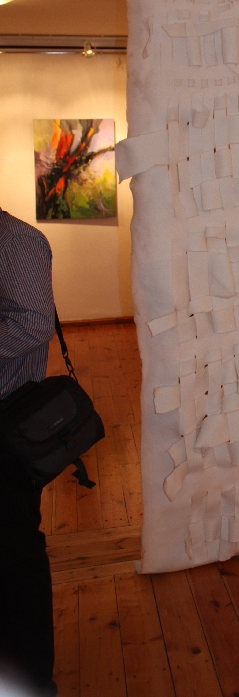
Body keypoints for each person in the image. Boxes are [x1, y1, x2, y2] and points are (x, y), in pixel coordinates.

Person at [0, 209, 57, 697]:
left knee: (15, 554)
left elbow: (35, 323)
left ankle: (32, 680)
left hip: (7, 424)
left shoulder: (15, 240)